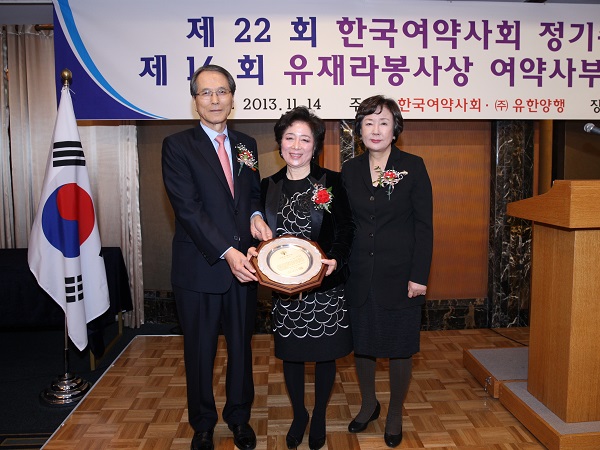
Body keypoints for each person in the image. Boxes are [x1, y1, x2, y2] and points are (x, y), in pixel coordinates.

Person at [162, 64, 272, 450]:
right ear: (195, 100)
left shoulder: (246, 144)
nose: (214, 99)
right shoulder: (177, 146)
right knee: (200, 352)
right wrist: (228, 252)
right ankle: (203, 424)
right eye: (206, 93)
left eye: (222, 91)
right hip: (201, 268)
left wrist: (256, 215)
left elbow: (252, 193)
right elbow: (188, 209)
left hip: (244, 267)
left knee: (241, 348)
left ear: (232, 97)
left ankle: (239, 419)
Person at [248, 106, 354, 450]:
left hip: (325, 288)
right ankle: (299, 415)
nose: (296, 146)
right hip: (285, 290)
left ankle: (319, 415)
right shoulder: (268, 186)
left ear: (315, 146)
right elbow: (259, 234)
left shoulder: (332, 181)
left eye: (305, 139)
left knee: (325, 355)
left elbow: (346, 228)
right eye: (289, 138)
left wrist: (336, 259)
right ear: (280, 143)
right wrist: (254, 250)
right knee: (291, 355)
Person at [341, 95, 433, 448]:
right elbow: (345, 224)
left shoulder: (413, 166)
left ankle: (394, 412)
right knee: (363, 344)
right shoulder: (349, 170)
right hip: (360, 273)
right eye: (368, 123)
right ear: (359, 130)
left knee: (399, 346)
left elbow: (424, 226)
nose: (376, 129)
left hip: (400, 274)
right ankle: (369, 404)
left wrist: (419, 275)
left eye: (383, 122)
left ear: (396, 129)